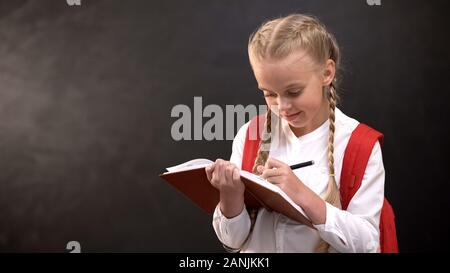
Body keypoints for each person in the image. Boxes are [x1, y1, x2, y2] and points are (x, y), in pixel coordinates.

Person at [205, 13, 385, 253]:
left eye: (294, 91)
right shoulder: (251, 135)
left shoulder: (359, 146)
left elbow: (368, 244)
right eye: (269, 93)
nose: (282, 106)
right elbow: (233, 242)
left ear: (326, 73)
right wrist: (230, 197)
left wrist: (302, 195)